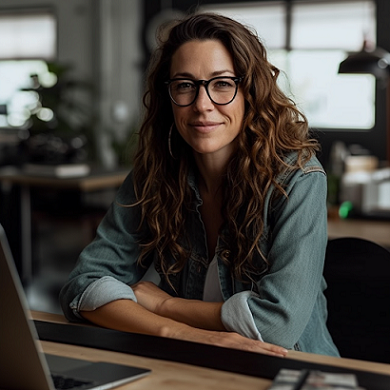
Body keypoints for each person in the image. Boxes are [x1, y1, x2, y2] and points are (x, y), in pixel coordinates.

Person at [60, 12, 339, 358]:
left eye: (222, 83)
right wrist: (178, 333)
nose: (202, 105)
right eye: (185, 85)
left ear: (249, 92)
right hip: (193, 363)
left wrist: (164, 306)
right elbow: (82, 287)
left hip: (293, 373)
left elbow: (275, 325)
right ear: (169, 96)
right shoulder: (155, 173)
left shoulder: (298, 178)